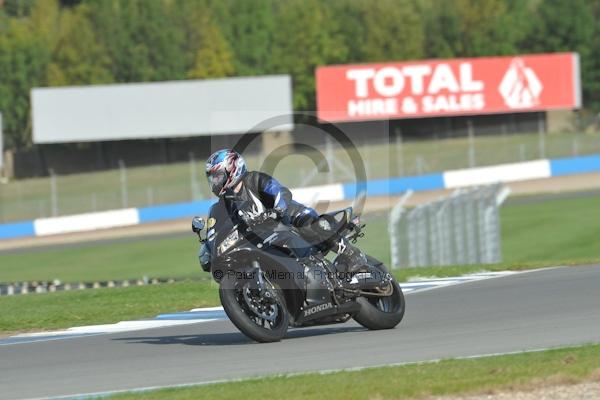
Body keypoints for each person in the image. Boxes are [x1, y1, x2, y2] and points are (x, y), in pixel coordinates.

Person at [200, 149, 366, 274]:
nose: (214, 182)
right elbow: (219, 227)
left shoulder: (254, 180)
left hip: (288, 217)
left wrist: (277, 209)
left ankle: (351, 254)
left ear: (232, 168)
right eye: (212, 178)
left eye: (217, 176)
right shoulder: (223, 205)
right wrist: (209, 247)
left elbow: (280, 191)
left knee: (309, 225)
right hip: (264, 236)